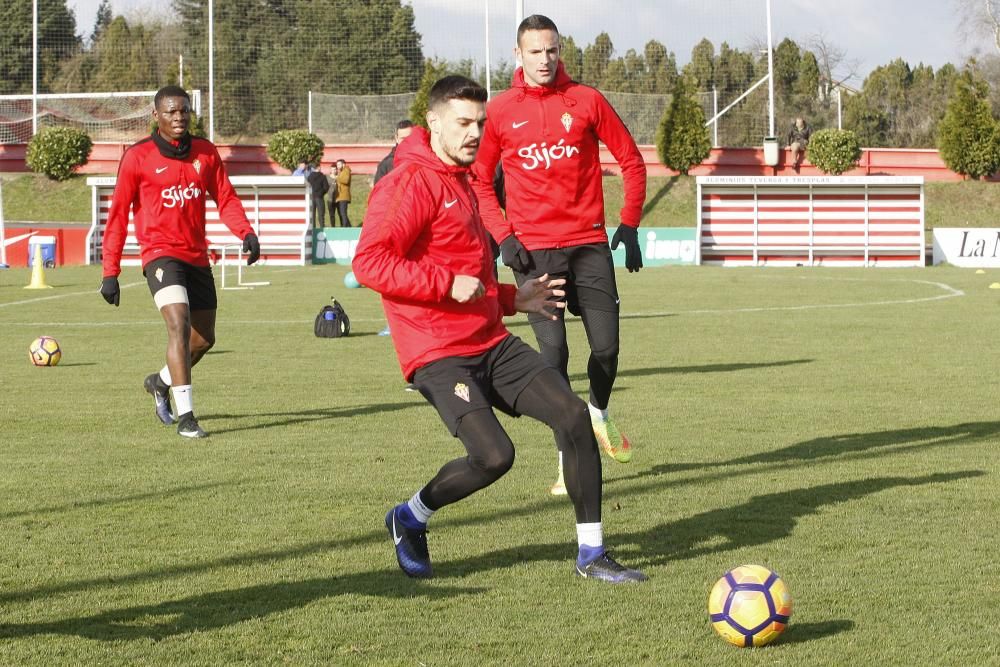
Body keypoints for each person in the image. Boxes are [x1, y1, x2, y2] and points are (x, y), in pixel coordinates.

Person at [352, 75, 646, 584]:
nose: (473, 133)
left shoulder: (464, 182)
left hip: (490, 340)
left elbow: (474, 277)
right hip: (437, 352)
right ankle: (409, 517)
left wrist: (514, 297)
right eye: (463, 123)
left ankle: (593, 554)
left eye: (479, 124)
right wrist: (445, 284)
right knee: (494, 456)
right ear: (435, 122)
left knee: (575, 417)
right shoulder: (408, 183)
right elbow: (370, 264)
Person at [470, 14, 647, 495]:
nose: (544, 60)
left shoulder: (586, 101)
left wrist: (629, 222)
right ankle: (567, 459)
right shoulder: (501, 111)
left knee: (606, 349)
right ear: (518, 54)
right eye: (534, 51)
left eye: (551, 50)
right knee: (553, 357)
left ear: (559, 50)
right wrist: (503, 235)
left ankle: (600, 415)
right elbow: (480, 181)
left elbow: (630, 159)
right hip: (535, 253)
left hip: (589, 244)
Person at [98, 85, 260, 439]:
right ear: (155, 116)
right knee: (179, 324)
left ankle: (160, 382)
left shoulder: (205, 152)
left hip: (196, 256)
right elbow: (117, 217)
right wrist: (110, 272)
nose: (178, 117)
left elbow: (226, 197)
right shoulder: (137, 158)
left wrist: (245, 233)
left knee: (203, 340)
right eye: (170, 111)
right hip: (159, 254)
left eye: (183, 110)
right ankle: (187, 418)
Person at [373, 119, 415, 186]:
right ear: (397, 138)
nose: (406, 141)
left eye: (409, 138)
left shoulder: (423, 160)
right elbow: (379, 193)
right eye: (403, 138)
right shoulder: (386, 165)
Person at [306, 163, 330, 229]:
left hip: (311, 197)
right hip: (319, 197)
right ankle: (322, 227)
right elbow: (326, 188)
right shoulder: (322, 176)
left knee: (312, 214)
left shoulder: (309, 177)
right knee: (321, 214)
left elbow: (307, 187)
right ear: (318, 167)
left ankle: (312, 228)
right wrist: (321, 193)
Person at [333, 158, 352, 227]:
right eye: (337, 165)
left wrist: (336, 178)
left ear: (343, 164)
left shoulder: (346, 170)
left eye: (339, 164)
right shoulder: (341, 171)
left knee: (343, 213)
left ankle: (345, 227)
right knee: (342, 213)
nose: (337, 166)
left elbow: (346, 180)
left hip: (344, 195)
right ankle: (349, 227)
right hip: (340, 196)